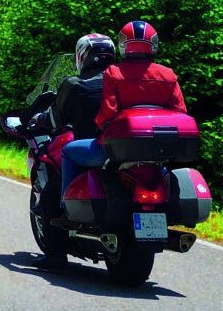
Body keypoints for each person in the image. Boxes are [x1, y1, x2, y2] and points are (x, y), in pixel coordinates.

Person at [52, 21, 187, 230]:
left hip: (117, 150)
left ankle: (65, 209)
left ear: (123, 45)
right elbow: (180, 114)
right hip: (157, 150)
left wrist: (100, 128)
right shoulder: (168, 75)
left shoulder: (114, 72)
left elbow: (107, 113)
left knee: (69, 151)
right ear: (154, 44)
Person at [26, 33, 116, 270]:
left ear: (82, 56)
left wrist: (39, 119)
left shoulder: (75, 85)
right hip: (122, 151)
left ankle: (56, 255)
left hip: (92, 150)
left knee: (49, 196)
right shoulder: (123, 83)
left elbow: (54, 120)